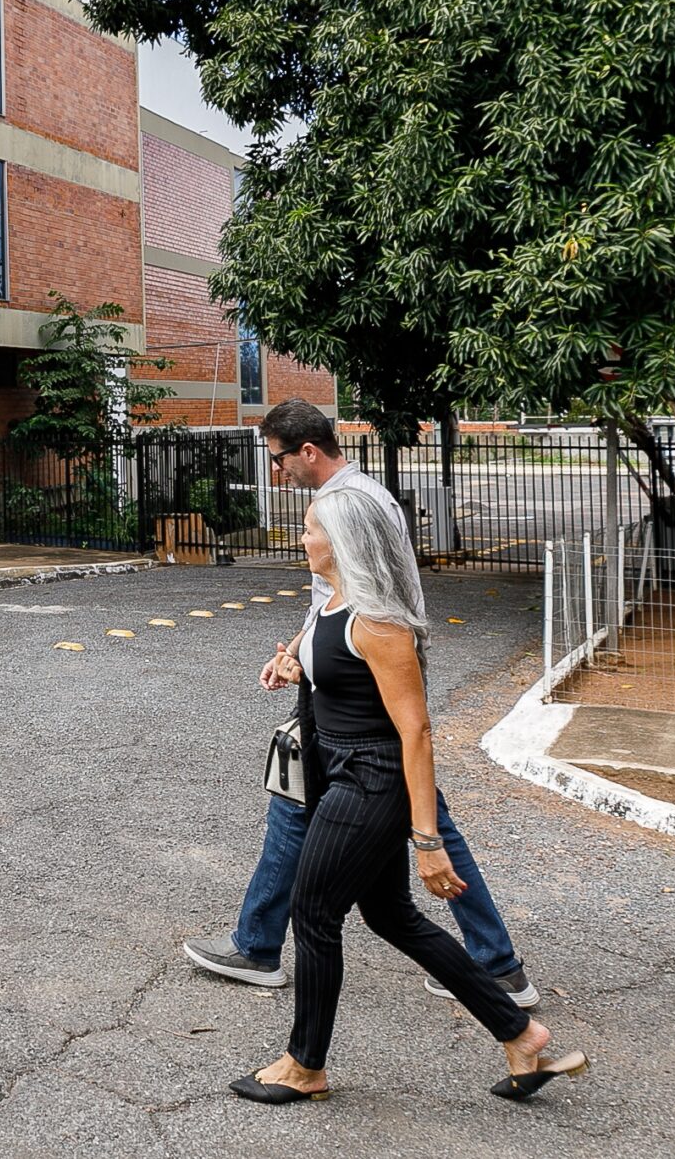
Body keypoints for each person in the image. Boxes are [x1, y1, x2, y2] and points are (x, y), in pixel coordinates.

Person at [231, 486, 587, 1104]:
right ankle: (520, 1033)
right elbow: (338, 678)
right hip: (339, 771)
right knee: (390, 916)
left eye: (312, 529)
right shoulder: (333, 605)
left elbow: (416, 730)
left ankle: (304, 1065)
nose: (303, 537)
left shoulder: (380, 622)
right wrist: (296, 668)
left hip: (372, 779)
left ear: (342, 541)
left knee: (314, 914)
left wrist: (428, 840)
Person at [183, 399, 538, 1009]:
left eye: (278, 459)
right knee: (299, 801)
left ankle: (494, 963)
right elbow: (331, 596)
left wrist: (337, 663)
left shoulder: (353, 504)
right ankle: (260, 942)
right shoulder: (343, 502)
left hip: (363, 679)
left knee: (416, 814)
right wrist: (298, 650)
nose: (276, 473)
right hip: (340, 667)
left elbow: (383, 599)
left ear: (308, 452)